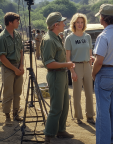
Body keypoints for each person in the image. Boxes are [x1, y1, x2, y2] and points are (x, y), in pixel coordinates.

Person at [91, 4, 113, 144]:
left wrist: (94, 74)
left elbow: (99, 61)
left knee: (102, 113)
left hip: (104, 73)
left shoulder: (103, 36)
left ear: (103, 18)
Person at [41, 12, 75, 144]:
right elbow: (49, 63)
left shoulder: (55, 37)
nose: (64, 24)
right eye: (62, 22)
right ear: (56, 25)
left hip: (61, 74)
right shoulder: (49, 40)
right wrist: (67, 64)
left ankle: (61, 130)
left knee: (64, 104)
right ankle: (49, 135)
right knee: (56, 107)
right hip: (56, 75)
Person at [65, 13, 95, 125]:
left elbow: (90, 52)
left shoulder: (87, 37)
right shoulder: (69, 38)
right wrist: (72, 71)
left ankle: (90, 116)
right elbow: (68, 57)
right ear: (74, 23)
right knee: (77, 93)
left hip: (87, 65)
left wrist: (91, 63)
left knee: (89, 93)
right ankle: (78, 116)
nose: (80, 24)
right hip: (76, 66)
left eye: (82, 22)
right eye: (78, 22)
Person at [0, 12, 25, 127]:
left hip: (18, 65)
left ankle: (16, 113)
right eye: (17, 21)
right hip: (8, 67)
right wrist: (15, 69)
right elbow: (2, 58)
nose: (18, 22)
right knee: (8, 93)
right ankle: (7, 116)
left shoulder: (17, 35)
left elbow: (21, 51)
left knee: (17, 93)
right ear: (10, 22)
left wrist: (21, 66)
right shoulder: (2, 37)